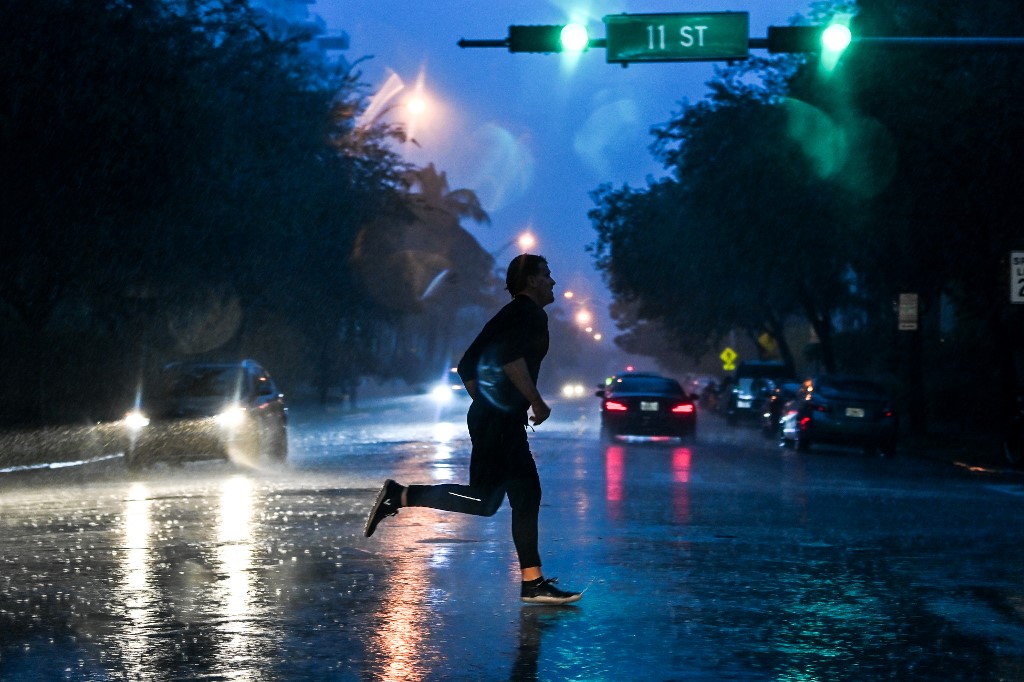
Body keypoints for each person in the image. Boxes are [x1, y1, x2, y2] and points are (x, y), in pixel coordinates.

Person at [364, 254, 582, 605]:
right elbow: (511, 359)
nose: (553, 282)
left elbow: (467, 365)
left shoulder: (508, 315)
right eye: (547, 275)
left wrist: (490, 404)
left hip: (493, 419)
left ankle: (401, 495)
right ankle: (533, 583)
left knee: (486, 500)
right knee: (525, 494)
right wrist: (533, 402)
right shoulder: (529, 314)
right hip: (498, 422)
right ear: (531, 281)